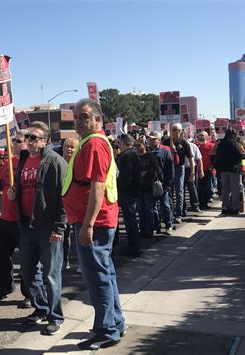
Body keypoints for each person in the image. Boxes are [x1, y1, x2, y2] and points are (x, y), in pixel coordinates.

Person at [62, 99, 125, 350]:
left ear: (98, 120)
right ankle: (114, 323)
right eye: (76, 116)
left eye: (84, 116)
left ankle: (106, 330)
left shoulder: (95, 144)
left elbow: (97, 188)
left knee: (97, 277)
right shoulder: (90, 143)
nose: (79, 120)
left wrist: (87, 225)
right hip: (94, 221)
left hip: (94, 223)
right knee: (105, 275)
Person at [11, 121, 67, 336]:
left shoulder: (55, 161)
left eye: (33, 138)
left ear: (44, 141)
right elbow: (23, 185)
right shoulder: (24, 159)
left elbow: (64, 197)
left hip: (48, 227)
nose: (29, 141)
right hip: (27, 224)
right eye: (27, 137)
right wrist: (15, 192)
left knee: (51, 274)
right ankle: (41, 307)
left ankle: (56, 316)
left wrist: (59, 228)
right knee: (27, 270)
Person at [0, 130, 32, 308]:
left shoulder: (30, 163)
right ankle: (5, 286)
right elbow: (2, 184)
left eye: (19, 141)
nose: (15, 143)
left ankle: (29, 293)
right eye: (13, 140)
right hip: (6, 217)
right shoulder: (7, 162)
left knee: (27, 259)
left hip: (23, 219)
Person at [162, 123, 194, 224]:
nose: (176, 132)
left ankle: (179, 213)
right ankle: (169, 213)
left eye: (178, 130)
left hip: (179, 168)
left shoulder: (184, 143)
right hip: (168, 168)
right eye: (174, 130)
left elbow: (190, 158)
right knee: (168, 190)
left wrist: (192, 172)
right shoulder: (166, 142)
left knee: (179, 191)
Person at [116, 134, 142, 257]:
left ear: (124, 143)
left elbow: (124, 177)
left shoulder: (127, 156)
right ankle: (133, 244)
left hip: (127, 192)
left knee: (130, 219)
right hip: (132, 191)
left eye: (120, 143)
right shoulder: (133, 154)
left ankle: (133, 246)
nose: (118, 145)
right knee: (130, 219)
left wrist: (119, 189)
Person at [134, 139, 163, 239]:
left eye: (139, 145)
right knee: (141, 210)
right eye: (135, 146)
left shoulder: (150, 156)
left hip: (149, 186)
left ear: (144, 145)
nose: (137, 147)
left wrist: (145, 173)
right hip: (139, 187)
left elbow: (155, 169)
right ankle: (142, 230)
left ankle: (150, 230)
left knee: (149, 209)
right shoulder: (135, 157)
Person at [148, 131, 175, 235]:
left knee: (165, 205)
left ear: (159, 140)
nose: (151, 141)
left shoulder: (165, 151)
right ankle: (156, 226)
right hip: (151, 183)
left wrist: (168, 184)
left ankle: (169, 225)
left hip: (163, 183)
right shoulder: (148, 151)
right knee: (153, 207)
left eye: (153, 139)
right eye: (150, 139)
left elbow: (170, 168)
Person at [215, 129, 245, 215]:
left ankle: (225, 207)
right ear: (233, 135)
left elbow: (213, 152)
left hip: (223, 170)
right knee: (235, 189)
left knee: (225, 189)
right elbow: (241, 153)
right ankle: (235, 208)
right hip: (234, 169)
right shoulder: (235, 143)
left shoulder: (220, 143)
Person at [62, 137, 79, 270]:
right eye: (67, 146)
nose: (69, 149)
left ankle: (81, 263)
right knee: (65, 234)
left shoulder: (79, 162)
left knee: (79, 235)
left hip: (77, 203)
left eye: (72, 147)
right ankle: (64, 261)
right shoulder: (59, 163)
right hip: (63, 203)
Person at [183, 135, 203, 213]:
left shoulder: (193, 146)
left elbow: (199, 159)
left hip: (191, 168)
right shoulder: (178, 146)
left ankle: (195, 205)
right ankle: (183, 207)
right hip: (181, 168)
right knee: (182, 189)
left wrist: (201, 171)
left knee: (192, 188)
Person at [195, 131, 214, 210]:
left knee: (208, 188)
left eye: (202, 135)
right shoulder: (195, 145)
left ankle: (205, 202)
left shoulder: (211, 145)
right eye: (199, 135)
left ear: (206, 136)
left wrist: (212, 166)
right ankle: (201, 204)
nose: (200, 136)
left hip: (208, 170)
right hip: (198, 170)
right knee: (199, 188)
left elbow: (214, 157)